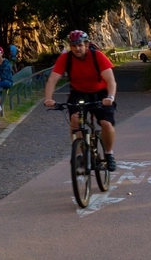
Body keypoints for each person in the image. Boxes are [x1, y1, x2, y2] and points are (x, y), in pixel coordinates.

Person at [44, 30, 118, 171]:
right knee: (75, 119)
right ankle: (79, 154)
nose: (77, 48)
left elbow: (111, 81)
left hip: (100, 93)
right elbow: (52, 80)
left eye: (80, 45)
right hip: (78, 93)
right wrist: (48, 99)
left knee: (106, 123)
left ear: (86, 44)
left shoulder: (98, 56)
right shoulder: (66, 58)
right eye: (73, 46)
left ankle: (109, 154)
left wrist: (110, 97)